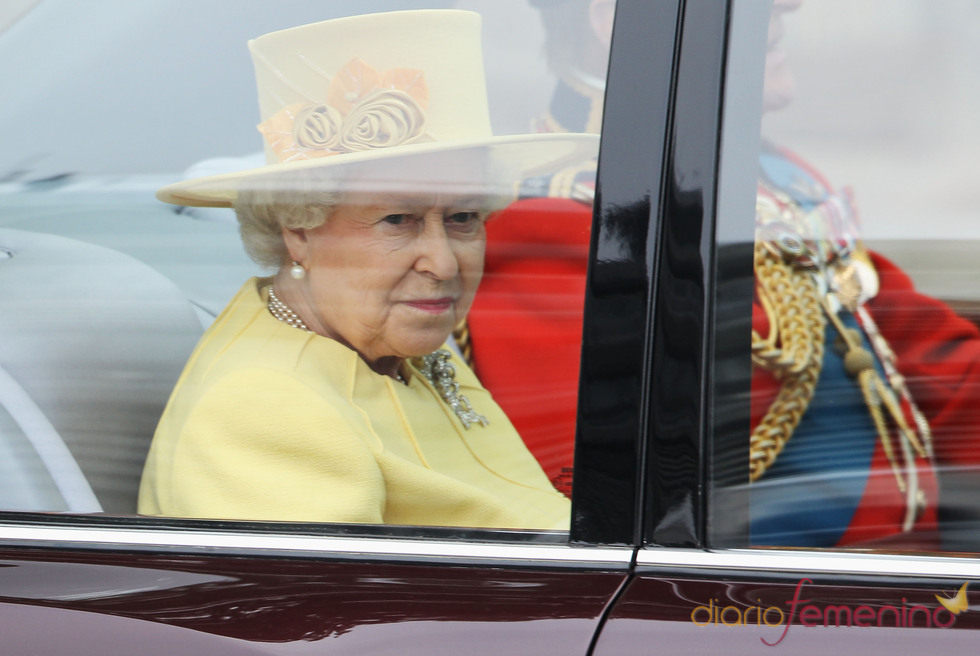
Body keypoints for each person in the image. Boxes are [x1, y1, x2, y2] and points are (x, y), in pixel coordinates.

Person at [469, 0, 980, 547]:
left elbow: (924, 348)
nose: (789, 4)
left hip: (894, 566)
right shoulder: (551, 223)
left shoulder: (774, 175)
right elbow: (650, 488)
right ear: (608, 18)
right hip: (777, 606)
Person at [137, 9, 598, 528]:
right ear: (298, 228)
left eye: (464, 217)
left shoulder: (385, 339)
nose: (444, 262)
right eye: (397, 220)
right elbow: (332, 609)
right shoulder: (267, 410)